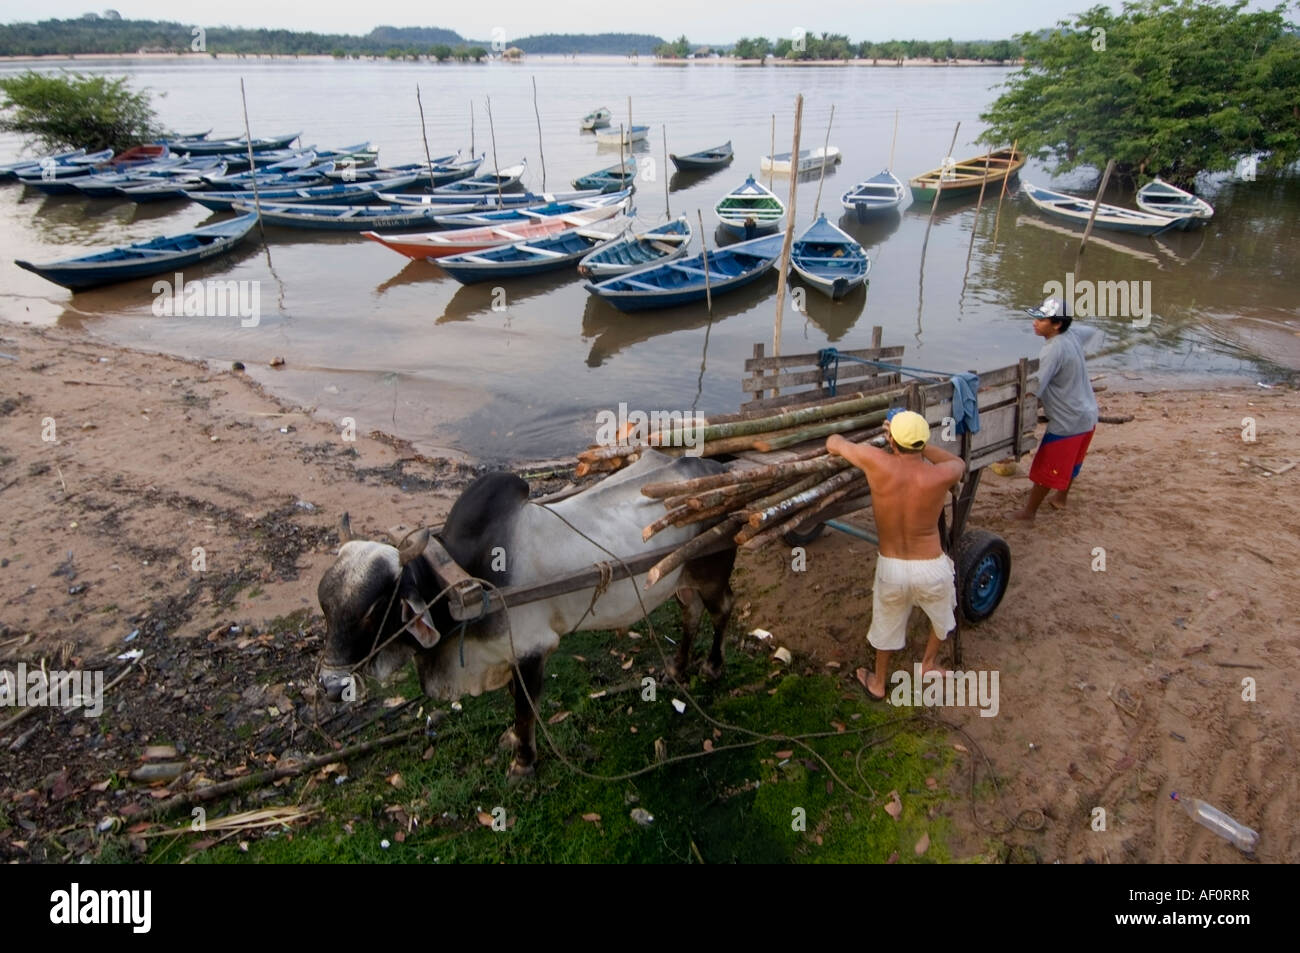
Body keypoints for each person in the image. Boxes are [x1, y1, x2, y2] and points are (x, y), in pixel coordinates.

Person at [826, 410, 966, 701]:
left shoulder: (876, 462)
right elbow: (959, 463)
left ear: (891, 439)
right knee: (941, 616)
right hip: (931, 566)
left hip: (893, 567)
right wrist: (921, 446)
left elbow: (834, 442)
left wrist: (886, 439)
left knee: (886, 624)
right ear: (922, 442)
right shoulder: (940, 474)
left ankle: (878, 682)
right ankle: (927, 665)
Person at [1006, 297, 1099, 521]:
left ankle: (1029, 512)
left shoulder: (1052, 350)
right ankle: (1060, 499)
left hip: (1067, 420)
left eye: (1041, 319)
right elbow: (1093, 331)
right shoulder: (1073, 335)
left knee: (1049, 468)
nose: (1035, 322)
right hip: (1088, 414)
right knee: (1072, 462)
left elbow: (1035, 388)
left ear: (1056, 324)